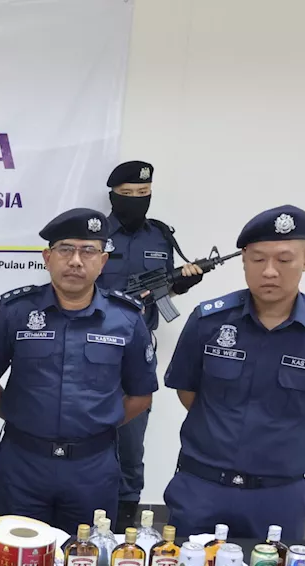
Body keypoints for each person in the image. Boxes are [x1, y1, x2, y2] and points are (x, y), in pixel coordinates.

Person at [163, 205, 305, 540]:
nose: (270, 271)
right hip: (201, 488)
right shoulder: (209, 321)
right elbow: (188, 392)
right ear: (244, 260)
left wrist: (283, 437)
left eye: (284, 260)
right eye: (258, 259)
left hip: (277, 496)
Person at [0, 208, 156, 533]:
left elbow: (141, 394)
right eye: (65, 250)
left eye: (88, 251)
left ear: (102, 261)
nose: (76, 261)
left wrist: (98, 423)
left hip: (92, 467)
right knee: (14, 562)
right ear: (47, 257)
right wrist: (15, 412)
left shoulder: (127, 320)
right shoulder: (15, 314)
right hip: (24, 462)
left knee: (84, 565)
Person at [97, 161, 204, 529]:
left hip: (137, 353)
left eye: (143, 194)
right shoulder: (95, 236)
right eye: (127, 195)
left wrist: (181, 283)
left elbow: (163, 287)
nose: (136, 201)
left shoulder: (159, 236)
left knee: (131, 444)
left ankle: (126, 524)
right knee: (89, 438)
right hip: (93, 350)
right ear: (113, 195)